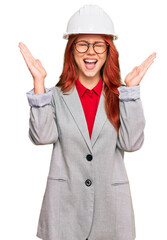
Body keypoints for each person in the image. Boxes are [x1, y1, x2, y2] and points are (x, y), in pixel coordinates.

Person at [19, 4, 156, 240]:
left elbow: (132, 143)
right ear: (71, 50)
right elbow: (42, 137)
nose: (90, 52)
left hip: (110, 211)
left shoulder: (120, 95)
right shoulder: (54, 97)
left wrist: (131, 92)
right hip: (65, 210)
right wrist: (39, 83)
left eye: (98, 44)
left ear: (108, 50)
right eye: (82, 44)